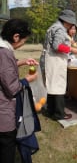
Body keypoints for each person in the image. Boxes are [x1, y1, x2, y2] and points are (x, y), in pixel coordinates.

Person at [0, 19, 38, 163]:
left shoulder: (3, 49)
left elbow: (4, 70)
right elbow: (12, 88)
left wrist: (22, 62)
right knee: (6, 149)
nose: (23, 44)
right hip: (3, 116)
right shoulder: (4, 53)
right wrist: (27, 79)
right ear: (16, 37)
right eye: (24, 40)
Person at [40, 9, 77, 121]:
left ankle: (50, 111)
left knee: (51, 85)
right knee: (58, 87)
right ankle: (59, 114)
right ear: (66, 21)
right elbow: (56, 46)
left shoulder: (53, 27)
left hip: (50, 60)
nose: (71, 25)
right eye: (71, 23)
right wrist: (72, 49)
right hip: (54, 61)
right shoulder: (60, 29)